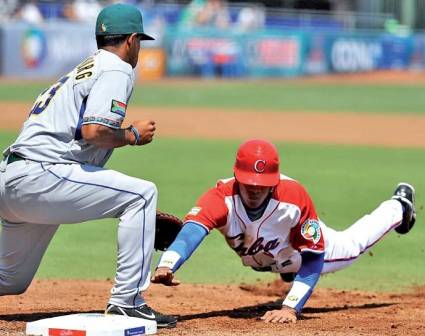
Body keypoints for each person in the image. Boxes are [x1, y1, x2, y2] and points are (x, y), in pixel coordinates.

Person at [0, 3, 176, 329]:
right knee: (140, 196)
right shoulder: (116, 68)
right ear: (132, 40)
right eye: (140, 42)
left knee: (9, 280)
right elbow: (94, 131)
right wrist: (133, 135)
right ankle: (128, 302)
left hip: (11, 177)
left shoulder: (86, 66)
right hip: (43, 174)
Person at [151, 138, 416, 324]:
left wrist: (290, 308)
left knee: (352, 246)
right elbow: (191, 232)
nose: (255, 190)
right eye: (248, 184)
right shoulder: (220, 198)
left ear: (274, 181)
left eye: (262, 185)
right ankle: (288, 269)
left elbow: (314, 258)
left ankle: (399, 207)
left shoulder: (294, 198)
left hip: (301, 253)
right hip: (272, 255)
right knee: (278, 257)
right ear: (236, 176)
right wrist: (168, 264)